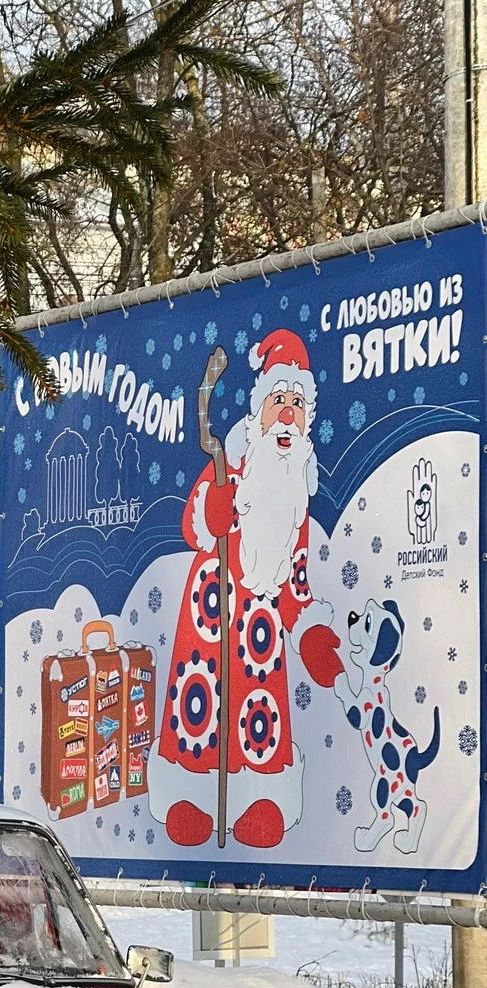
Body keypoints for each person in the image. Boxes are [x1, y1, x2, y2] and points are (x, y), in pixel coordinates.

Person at [148, 328, 343, 848]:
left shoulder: (296, 501)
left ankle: (262, 797)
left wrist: (311, 637)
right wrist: (213, 511)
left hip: (260, 636)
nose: (287, 414)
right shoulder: (231, 464)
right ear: (259, 408)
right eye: (279, 399)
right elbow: (195, 527)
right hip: (208, 621)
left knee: (260, 715)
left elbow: (295, 586)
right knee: (201, 704)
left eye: (297, 403)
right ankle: (189, 793)